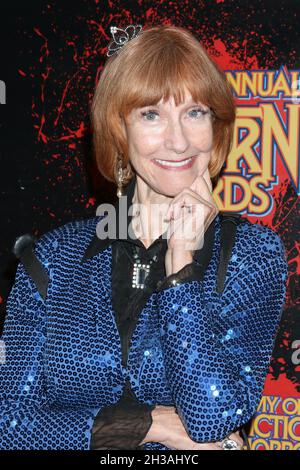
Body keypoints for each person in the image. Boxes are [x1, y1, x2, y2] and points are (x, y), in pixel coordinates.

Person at [0, 24, 288, 451]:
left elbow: (214, 417)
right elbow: (10, 423)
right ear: (120, 130)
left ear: (216, 126)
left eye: (195, 112)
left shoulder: (250, 255)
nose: (178, 141)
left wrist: (181, 270)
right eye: (151, 114)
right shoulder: (54, 258)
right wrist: (149, 425)